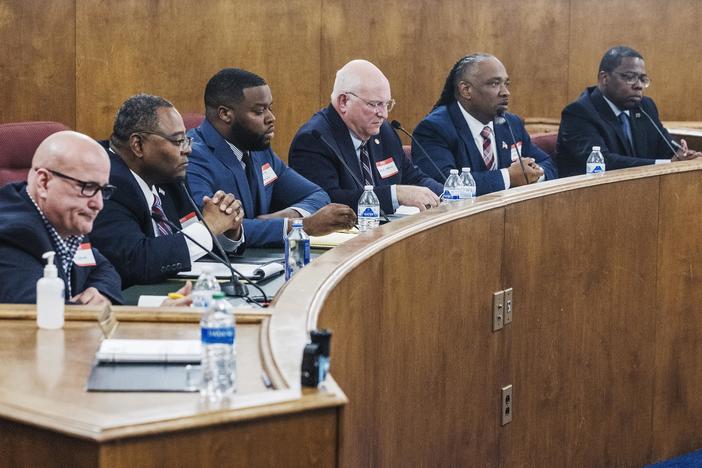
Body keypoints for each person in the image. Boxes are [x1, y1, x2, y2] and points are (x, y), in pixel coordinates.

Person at [187, 68, 356, 247]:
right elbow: (212, 229)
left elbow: (318, 195)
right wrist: (302, 226)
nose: (271, 118)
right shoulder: (192, 158)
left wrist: (286, 216)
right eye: (259, 111)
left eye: (270, 108)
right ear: (225, 114)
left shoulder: (258, 149)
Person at [91, 94, 244, 288]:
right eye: (178, 141)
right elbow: (137, 261)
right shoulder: (105, 181)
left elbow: (188, 236)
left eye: (186, 140)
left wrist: (227, 229)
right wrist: (209, 228)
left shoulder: (168, 176)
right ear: (138, 145)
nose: (187, 150)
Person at [289, 59, 442, 214]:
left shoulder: (384, 131)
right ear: (344, 101)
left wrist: (447, 194)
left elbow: (413, 177)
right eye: (374, 104)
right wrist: (395, 194)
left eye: (387, 104)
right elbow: (327, 202)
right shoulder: (314, 140)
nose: (383, 114)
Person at [0, 131, 123, 305]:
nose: (98, 204)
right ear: (44, 182)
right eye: (88, 187)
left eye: (103, 190)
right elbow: (40, 316)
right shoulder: (13, 237)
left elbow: (103, 268)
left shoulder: (64, 220)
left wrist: (99, 292)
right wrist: (161, 312)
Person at [412, 53, 557, 196]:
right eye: (494, 84)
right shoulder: (434, 128)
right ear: (466, 90)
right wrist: (508, 177)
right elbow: (443, 184)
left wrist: (534, 174)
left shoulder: (511, 123)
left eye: (506, 84)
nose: (505, 92)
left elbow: (547, 163)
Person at [557, 45, 701, 177]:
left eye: (643, 79)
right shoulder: (579, 113)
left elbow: (666, 148)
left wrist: (685, 157)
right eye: (630, 77)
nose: (639, 86)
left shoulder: (645, 106)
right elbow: (603, 162)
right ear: (604, 78)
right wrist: (665, 165)